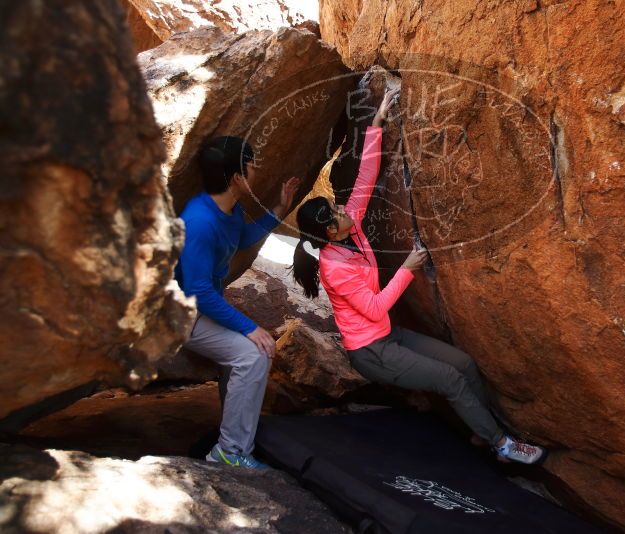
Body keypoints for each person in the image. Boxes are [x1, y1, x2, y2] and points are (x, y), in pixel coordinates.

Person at [291, 88, 545, 465]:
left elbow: (364, 179)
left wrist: (376, 123)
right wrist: (409, 269)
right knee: (449, 380)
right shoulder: (334, 266)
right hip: (371, 351)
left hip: (389, 335)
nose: (342, 207)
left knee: (463, 364)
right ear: (330, 231)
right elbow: (375, 309)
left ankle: (483, 430)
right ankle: (502, 445)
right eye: (335, 210)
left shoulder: (352, 228)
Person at [176, 135, 299, 469]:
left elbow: (241, 237)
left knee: (249, 350)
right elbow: (197, 291)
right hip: (178, 313)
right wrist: (249, 327)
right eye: (253, 164)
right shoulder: (200, 221)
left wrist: (278, 210)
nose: (258, 169)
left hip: (199, 306)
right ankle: (229, 452)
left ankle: (235, 434)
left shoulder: (229, 211)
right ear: (236, 178)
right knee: (254, 353)